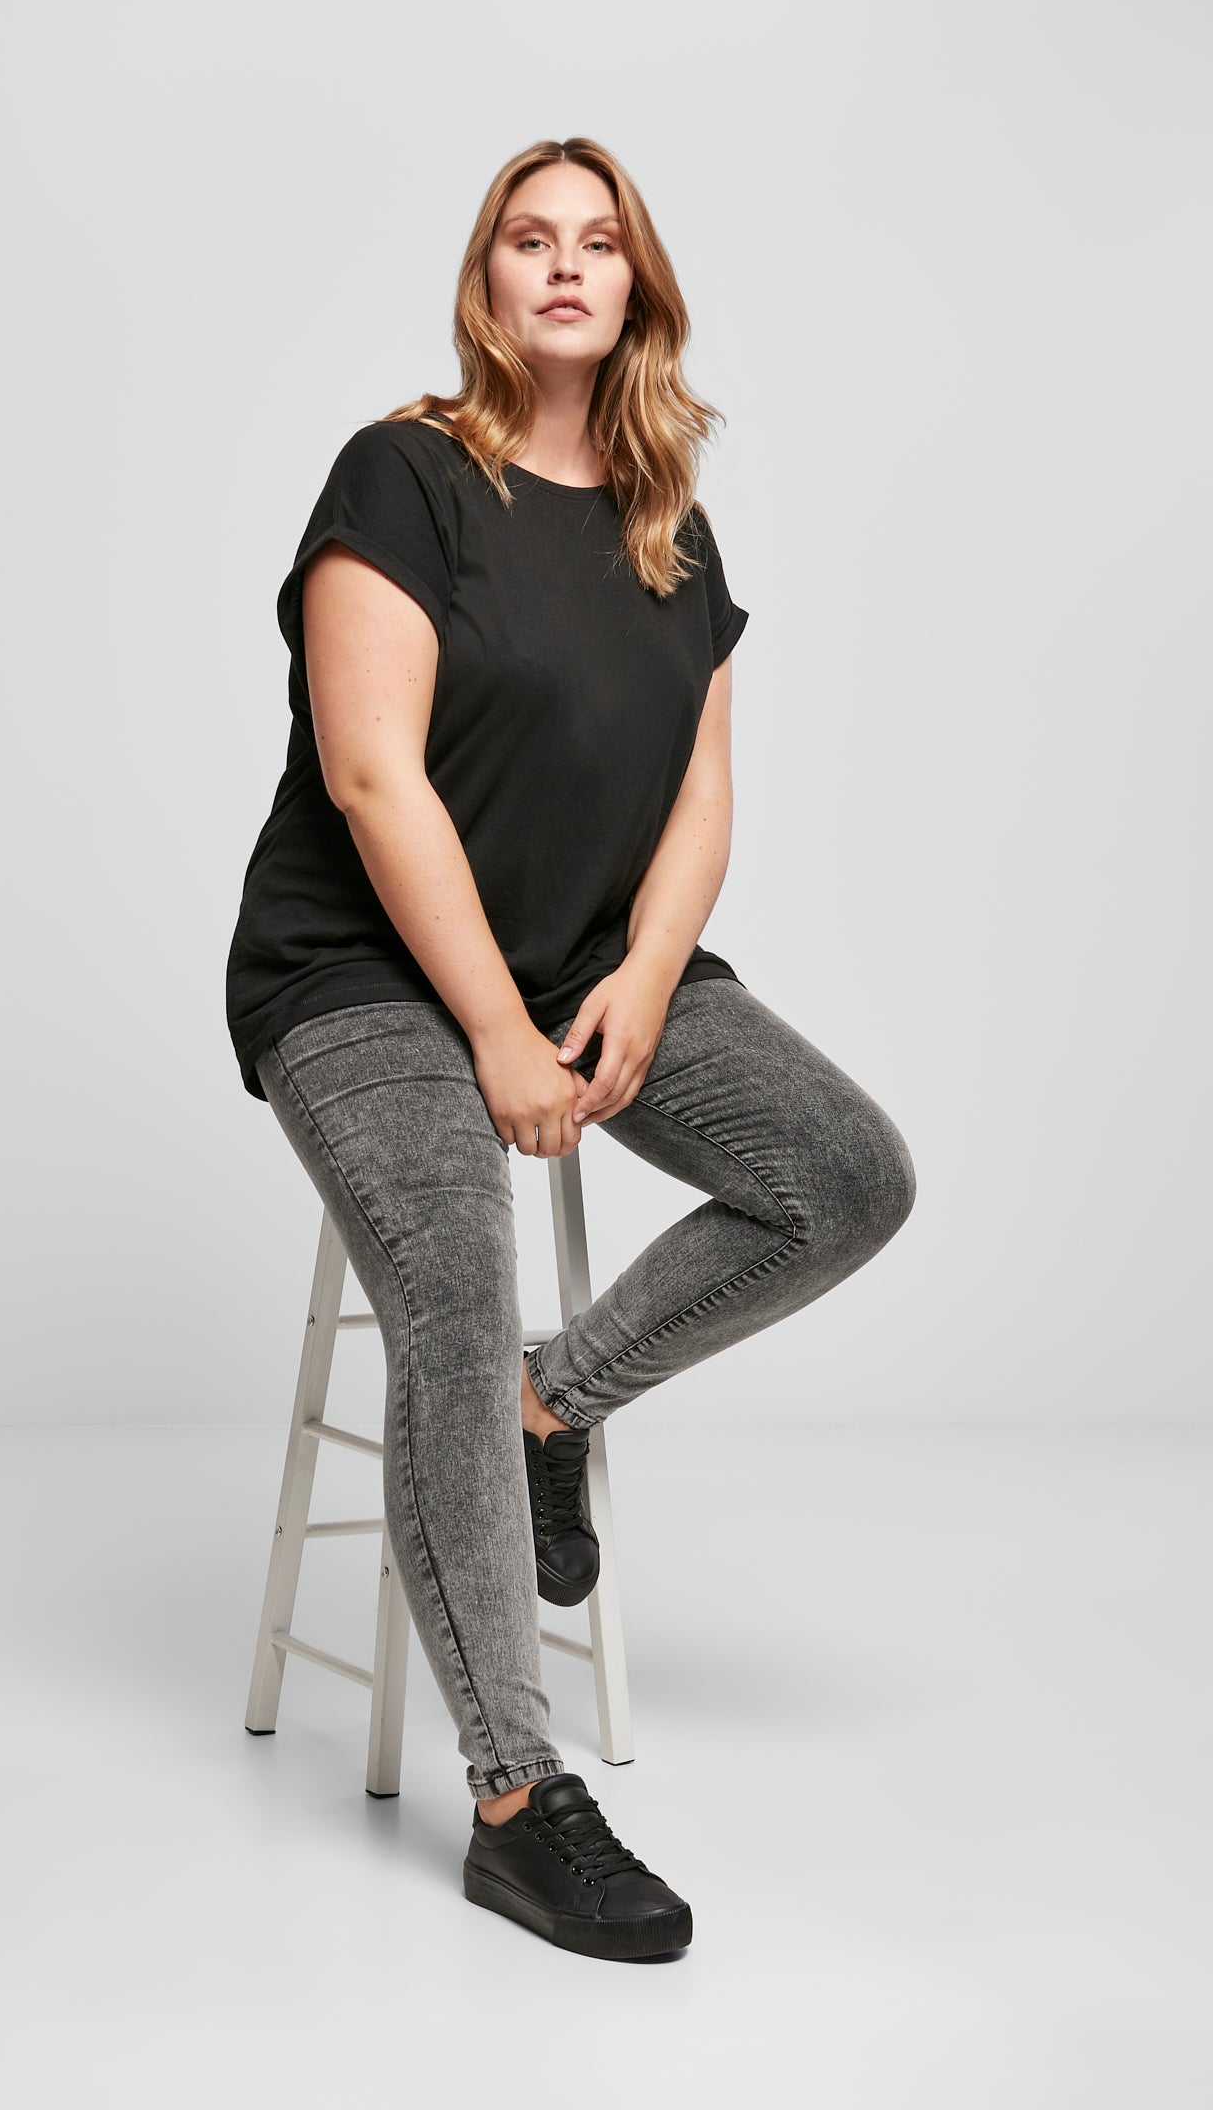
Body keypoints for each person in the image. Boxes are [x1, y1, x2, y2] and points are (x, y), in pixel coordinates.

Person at [225, 136, 916, 1961]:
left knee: (846, 1176)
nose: (562, 265)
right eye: (527, 238)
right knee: (456, 1286)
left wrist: (646, 976)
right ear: (486, 281)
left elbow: (704, 792)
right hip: (365, 974)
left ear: (636, 290)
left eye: (597, 242)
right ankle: (519, 1802)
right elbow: (372, 776)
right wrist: (494, 1033)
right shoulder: (403, 476)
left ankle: (553, 1402)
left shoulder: (673, 524)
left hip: (594, 958)